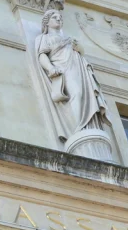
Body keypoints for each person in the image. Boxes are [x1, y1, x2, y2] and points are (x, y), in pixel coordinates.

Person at [35, 9, 108, 143]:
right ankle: (78, 127)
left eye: (60, 17)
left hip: (78, 66)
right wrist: (51, 68)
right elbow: (42, 55)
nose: (59, 19)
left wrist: (78, 47)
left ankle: (86, 126)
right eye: (54, 17)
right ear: (47, 23)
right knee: (76, 93)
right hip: (63, 67)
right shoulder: (44, 38)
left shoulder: (67, 38)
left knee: (85, 94)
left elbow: (81, 52)